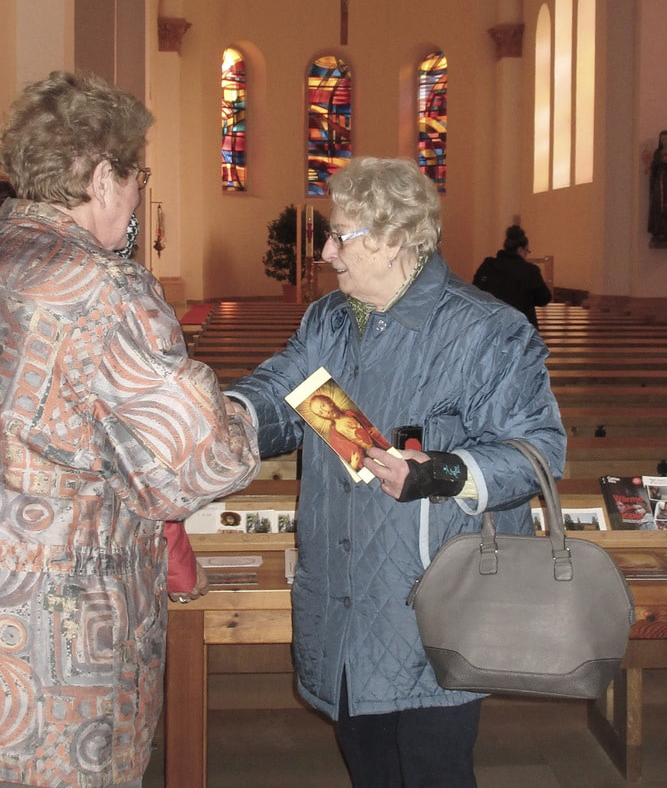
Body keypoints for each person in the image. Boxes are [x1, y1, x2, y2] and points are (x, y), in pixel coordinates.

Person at [227, 157, 566, 788]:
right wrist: (233, 411)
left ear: (394, 238)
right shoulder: (327, 319)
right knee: (369, 766)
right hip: (342, 598)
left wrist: (444, 472)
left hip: (430, 607)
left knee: (435, 770)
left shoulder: (486, 330)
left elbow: (539, 451)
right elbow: (284, 388)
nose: (326, 252)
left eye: (340, 235)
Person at [0, 71, 259, 788]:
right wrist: (249, 414)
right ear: (101, 177)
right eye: (136, 176)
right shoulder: (102, 288)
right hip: (56, 633)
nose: (139, 193)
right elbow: (194, 464)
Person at [472, 224, 552, 328]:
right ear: (520, 249)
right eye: (527, 251)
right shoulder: (529, 270)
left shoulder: (488, 265)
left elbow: (475, 291)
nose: (527, 255)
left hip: (492, 325)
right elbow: (544, 298)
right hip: (521, 327)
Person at [648, 129, 667, 245]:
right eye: (663, 139)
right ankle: (659, 232)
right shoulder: (657, 153)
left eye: (666, 139)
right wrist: (660, 161)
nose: (665, 141)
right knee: (658, 207)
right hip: (659, 183)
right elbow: (653, 167)